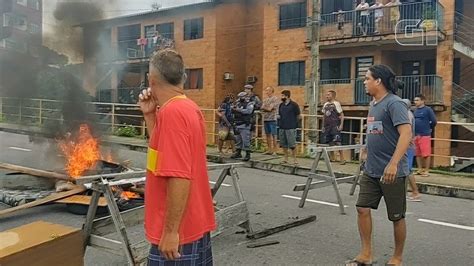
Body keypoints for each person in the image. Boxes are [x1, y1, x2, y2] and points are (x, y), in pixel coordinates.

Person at [138, 49, 215, 265]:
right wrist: (150, 116)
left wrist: (171, 232)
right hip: (192, 223)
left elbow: (179, 175)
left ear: (151, 80)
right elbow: (163, 157)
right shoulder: (186, 108)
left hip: (179, 232)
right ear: (182, 78)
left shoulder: (172, 114)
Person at [348, 64, 412, 266]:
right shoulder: (373, 104)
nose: (364, 82)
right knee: (362, 208)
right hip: (372, 169)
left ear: (378, 81)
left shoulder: (395, 104)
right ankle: (366, 254)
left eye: (367, 78)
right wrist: (366, 150)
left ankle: (397, 257)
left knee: (396, 216)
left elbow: (406, 134)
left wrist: (393, 164)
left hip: (392, 171)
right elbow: (375, 130)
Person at [413, 94, 437, 177]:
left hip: (424, 135)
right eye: (415, 100)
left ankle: (426, 170)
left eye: (417, 100)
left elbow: (433, 121)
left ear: (422, 101)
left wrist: (428, 128)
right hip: (416, 134)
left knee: (426, 154)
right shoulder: (415, 110)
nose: (415, 102)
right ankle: (420, 169)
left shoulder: (428, 110)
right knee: (417, 153)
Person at [402, 99, 421, 202]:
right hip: (408, 145)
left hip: (407, 146)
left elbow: (407, 131)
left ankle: (415, 192)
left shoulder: (407, 115)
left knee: (408, 170)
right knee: (405, 169)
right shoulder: (409, 114)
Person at [321, 90, 345, 165]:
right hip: (327, 126)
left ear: (333, 96)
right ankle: (332, 158)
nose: (327, 96)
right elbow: (324, 115)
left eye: (328, 95)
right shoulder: (325, 104)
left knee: (337, 141)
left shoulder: (336, 104)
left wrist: (341, 125)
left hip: (335, 125)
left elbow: (342, 115)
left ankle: (342, 159)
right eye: (326, 95)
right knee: (330, 142)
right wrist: (323, 126)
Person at [277, 90, 300, 165]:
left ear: (287, 96)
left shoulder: (294, 105)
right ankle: (285, 158)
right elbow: (279, 114)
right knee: (283, 144)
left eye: (283, 96)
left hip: (290, 127)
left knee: (292, 144)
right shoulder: (281, 105)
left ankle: (295, 159)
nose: (281, 97)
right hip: (282, 126)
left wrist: (295, 124)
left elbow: (298, 115)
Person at [231, 91, 255, 161]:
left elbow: (248, 111)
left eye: (242, 97)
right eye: (239, 97)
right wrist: (234, 108)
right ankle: (238, 153)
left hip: (245, 124)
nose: (240, 98)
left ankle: (248, 154)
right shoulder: (238, 103)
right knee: (238, 140)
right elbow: (232, 108)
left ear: (246, 97)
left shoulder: (250, 103)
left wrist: (238, 109)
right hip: (237, 123)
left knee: (246, 140)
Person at [261, 86, 280, 155]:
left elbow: (270, 108)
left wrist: (265, 108)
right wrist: (266, 108)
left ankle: (275, 150)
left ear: (272, 91)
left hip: (272, 119)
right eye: (266, 90)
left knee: (274, 135)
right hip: (265, 118)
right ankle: (269, 150)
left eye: (268, 90)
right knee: (267, 134)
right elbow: (262, 107)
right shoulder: (265, 100)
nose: (267, 92)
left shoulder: (275, 99)